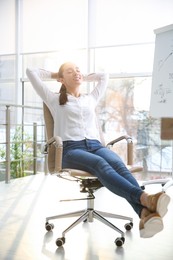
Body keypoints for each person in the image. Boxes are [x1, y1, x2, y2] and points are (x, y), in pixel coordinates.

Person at [26, 62, 170, 238]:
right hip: (69, 149)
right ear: (61, 79)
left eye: (78, 69)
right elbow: (31, 71)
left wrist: (78, 76)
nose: (76, 72)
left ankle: (144, 214)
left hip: (95, 145)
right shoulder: (53, 99)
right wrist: (60, 75)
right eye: (70, 71)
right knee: (100, 164)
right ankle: (145, 198)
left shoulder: (90, 98)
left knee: (117, 163)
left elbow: (104, 76)